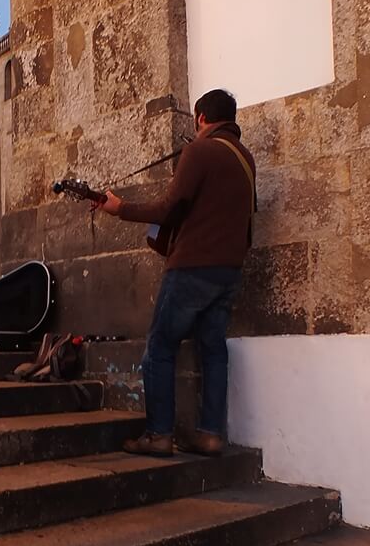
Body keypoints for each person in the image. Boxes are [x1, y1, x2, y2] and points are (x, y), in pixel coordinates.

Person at [95, 89, 255, 458]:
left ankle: (158, 434)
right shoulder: (245, 158)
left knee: (160, 348)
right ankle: (211, 434)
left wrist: (121, 209)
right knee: (213, 349)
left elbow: (170, 208)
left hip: (193, 266)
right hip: (228, 270)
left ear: (200, 118)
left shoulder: (199, 151)